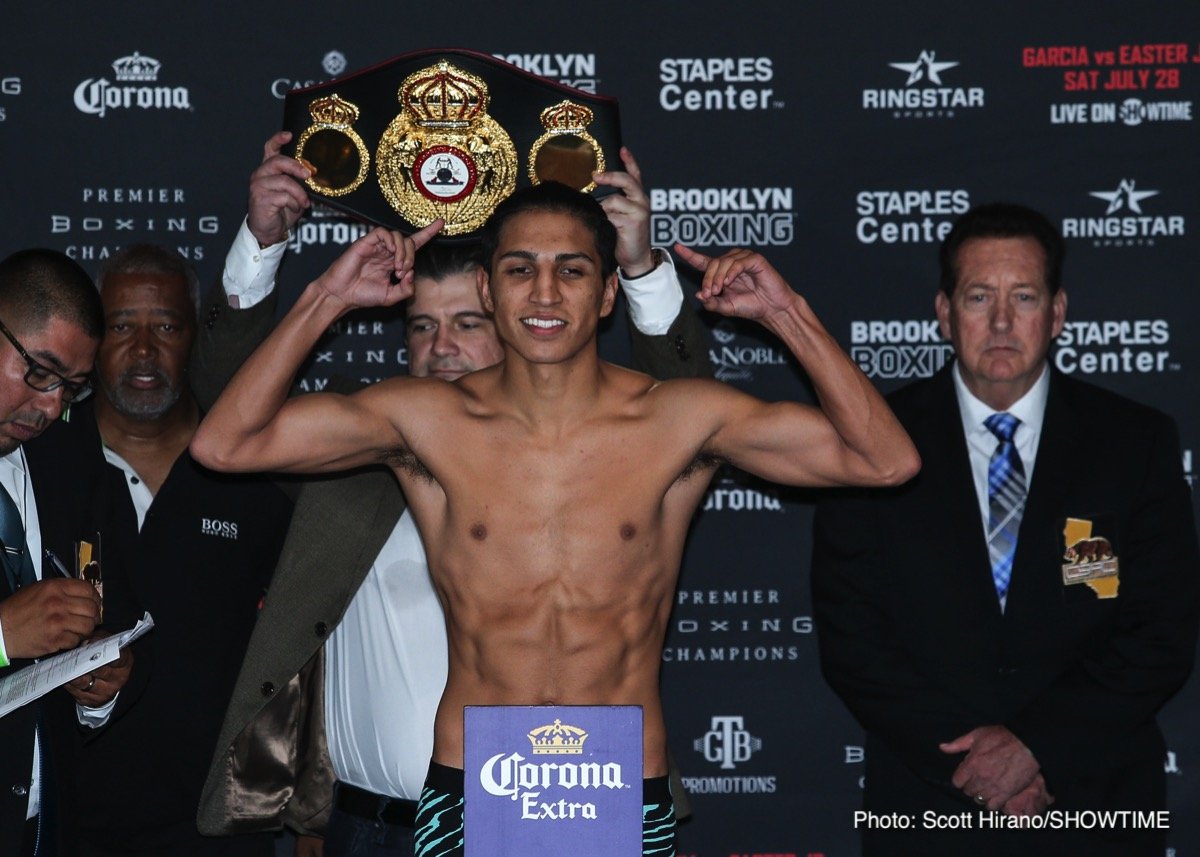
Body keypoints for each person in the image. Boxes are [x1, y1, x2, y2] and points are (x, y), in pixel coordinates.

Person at [190, 179, 919, 855]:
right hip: (474, 780)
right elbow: (227, 443)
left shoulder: (678, 419)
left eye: (572, 270)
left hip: (617, 781)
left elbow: (886, 461)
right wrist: (326, 297)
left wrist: (786, 313)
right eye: (519, 269)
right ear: (487, 284)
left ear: (607, 294)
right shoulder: (428, 420)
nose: (545, 291)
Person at [195, 133, 711, 857]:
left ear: (511, 312)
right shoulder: (363, 433)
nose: (442, 348)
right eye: (422, 328)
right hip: (361, 826)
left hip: (550, 810)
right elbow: (225, 416)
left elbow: (685, 416)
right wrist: (264, 244)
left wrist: (641, 269)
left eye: (466, 324)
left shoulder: (602, 440)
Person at [811, 203, 1200, 856]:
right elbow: (854, 638)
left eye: (1023, 296)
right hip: (926, 804)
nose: (999, 321)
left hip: (1094, 800)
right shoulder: (871, 442)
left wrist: (1034, 748)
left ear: (1057, 313)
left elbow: (1162, 630)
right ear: (943, 311)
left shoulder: (1133, 442)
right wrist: (974, 766)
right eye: (978, 296)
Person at [27, 244, 292, 856]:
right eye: (121, 326)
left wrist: (302, 811)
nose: (143, 350)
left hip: (222, 829)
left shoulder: (256, 469)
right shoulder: (36, 463)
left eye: (166, 326)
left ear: (195, 336)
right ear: (94, 336)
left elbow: (300, 655)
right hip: (63, 826)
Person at [0, 248, 116, 856]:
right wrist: (0, 637)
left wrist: (101, 681)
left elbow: (112, 601)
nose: (52, 407)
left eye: (71, 387)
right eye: (39, 373)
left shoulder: (69, 463)